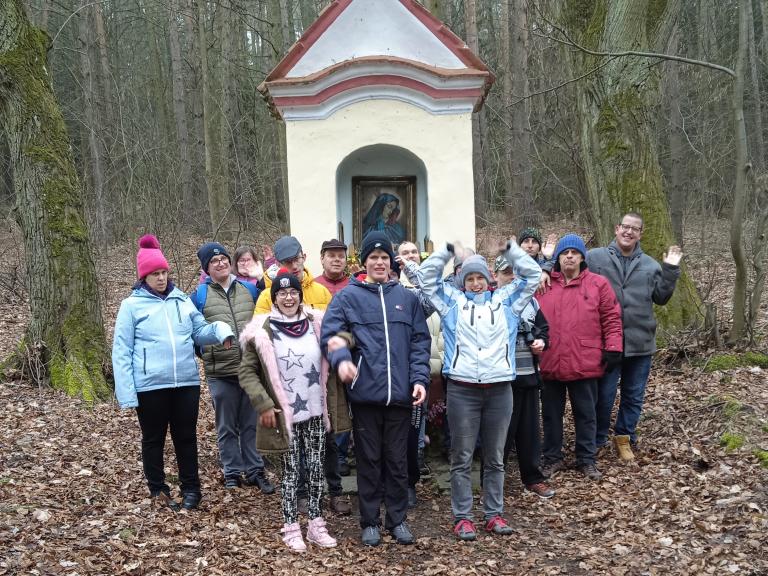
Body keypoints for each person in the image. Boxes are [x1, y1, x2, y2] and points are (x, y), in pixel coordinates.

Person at [420, 239, 540, 541]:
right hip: (462, 390)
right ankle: (463, 517)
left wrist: (510, 250)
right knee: (461, 456)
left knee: (495, 456)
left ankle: (493, 514)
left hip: (500, 390)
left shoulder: (507, 301)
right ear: (462, 281)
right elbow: (425, 278)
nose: (475, 283)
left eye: (479, 278)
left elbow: (534, 276)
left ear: (488, 280)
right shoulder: (451, 302)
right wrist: (447, 251)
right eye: (469, 278)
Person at [321, 231, 431, 547]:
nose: (379, 263)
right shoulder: (347, 298)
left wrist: (420, 379)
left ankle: (397, 521)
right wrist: (342, 361)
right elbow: (332, 336)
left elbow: (420, 342)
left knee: (397, 461)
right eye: (374, 258)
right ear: (365, 262)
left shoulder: (406, 299)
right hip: (366, 395)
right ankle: (370, 521)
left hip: (401, 396)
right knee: (369, 460)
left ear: (391, 262)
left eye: (384, 258)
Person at [113, 235, 234, 511]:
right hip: (150, 386)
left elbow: (200, 331)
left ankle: (192, 490)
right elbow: (121, 350)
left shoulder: (182, 301)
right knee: (154, 439)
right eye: (155, 274)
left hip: (186, 384)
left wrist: (220, 331)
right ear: (144, 277)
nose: (161, 278)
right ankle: (158, 489)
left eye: (164, 272)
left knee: (186, 438)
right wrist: (127, 394)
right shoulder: (131, 306)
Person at [238, 270, 349, 552]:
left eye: (293, 292)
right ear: (274, 297)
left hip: (315, 411)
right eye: (282, 293)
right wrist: (263, 403)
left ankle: (315, 523)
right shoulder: (262, 331)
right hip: (284, 416)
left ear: (300, 295)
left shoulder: (317, 323)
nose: (288, 297)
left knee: (315, 470)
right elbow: (247, 372)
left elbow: (345, 337)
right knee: (290, 473)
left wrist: (343, 345)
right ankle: (290, 526)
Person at [587, 213, 683, 460]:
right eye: (625, 227)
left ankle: (624, 438)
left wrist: (670, 269)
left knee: (633, 394)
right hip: (607, 342)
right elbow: (570, 274)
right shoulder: (594, 257)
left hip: (641, 343)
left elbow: (661, 298)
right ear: (616, 228)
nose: (629, 232)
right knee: (604, 394)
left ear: (641, 233)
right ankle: (597, 438)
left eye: (635, 229)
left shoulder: (651, 265)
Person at [188, 242, 274, 494]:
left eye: (224, 259)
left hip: (249, 370)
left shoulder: (249, 289)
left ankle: (255, 470)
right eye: (214, 261)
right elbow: (194, 332)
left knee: (250, 423)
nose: (221, 263)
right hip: (220, 373)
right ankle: (232, 472)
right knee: (226, 426)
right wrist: (206, 354)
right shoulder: (199, 296)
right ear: (207, 267)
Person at [537, 234, 623, 482]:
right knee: (551, 415)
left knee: (586, 413)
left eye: (575, 253)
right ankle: (552, 457)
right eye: (565, 253)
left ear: (583, 257)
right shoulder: (544, 285)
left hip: (584, 361)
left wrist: (613, 348)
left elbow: (611, 318)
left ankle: (586, 459)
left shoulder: (598, 284)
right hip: (550, 361)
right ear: (558, 258)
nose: (570, 256)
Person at [493, 255, 554, 499]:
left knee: (529, 433)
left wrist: (541, 341)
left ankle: (533, 478)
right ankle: (494, 480)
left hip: (528, 376)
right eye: (506, 272)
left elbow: (544, 330)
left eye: (516, 273)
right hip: (500, 381)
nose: (512, 277)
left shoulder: (531, 303)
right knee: (501, 434)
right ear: (495, 276)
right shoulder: (489, 303)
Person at [255, 236, 332, 314]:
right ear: (277, 264)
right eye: (288, 262)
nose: (294, 266)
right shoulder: (266, 298)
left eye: (296, 259)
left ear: (304, 257)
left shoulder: (322, 292)